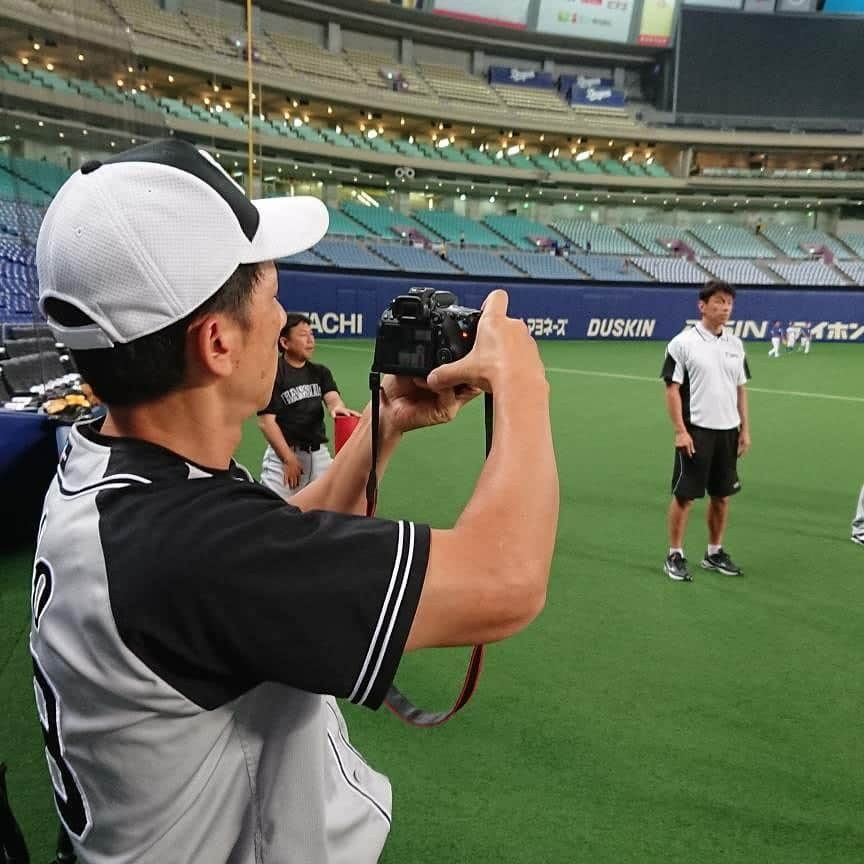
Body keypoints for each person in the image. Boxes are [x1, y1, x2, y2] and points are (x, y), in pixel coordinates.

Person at [29, 139, 558, 862]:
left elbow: (275, 539)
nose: (283, 320)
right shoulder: (192, 549)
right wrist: (524, 384)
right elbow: (507, 582)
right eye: (273, 295)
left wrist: (385, 424)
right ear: (216, 342)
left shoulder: (119, 473)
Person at [661, 279, 751, 582]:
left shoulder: (736, 344)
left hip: (728, 432)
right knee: (685, 496)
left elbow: (741, 390)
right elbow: (672, 390)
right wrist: (680, 431)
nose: (725, 308)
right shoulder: (683, 343)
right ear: (702, 306)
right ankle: (675, 553)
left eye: (729, 303)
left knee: (722, 496)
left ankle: (714, 552)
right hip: (696, 432)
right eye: (718, 302)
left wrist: (745, 430)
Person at [257, 312, 360, 498]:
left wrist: (337, 408)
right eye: (303, 335)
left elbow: (333, 399)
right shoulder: (274, 374)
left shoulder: (319, 372)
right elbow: (266, 422)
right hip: (284, 456)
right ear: (284, 343)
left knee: (333, 502)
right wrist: (288, 459)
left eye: (312, 334)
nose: (310, 340)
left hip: (318, 454)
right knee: (276, 511)